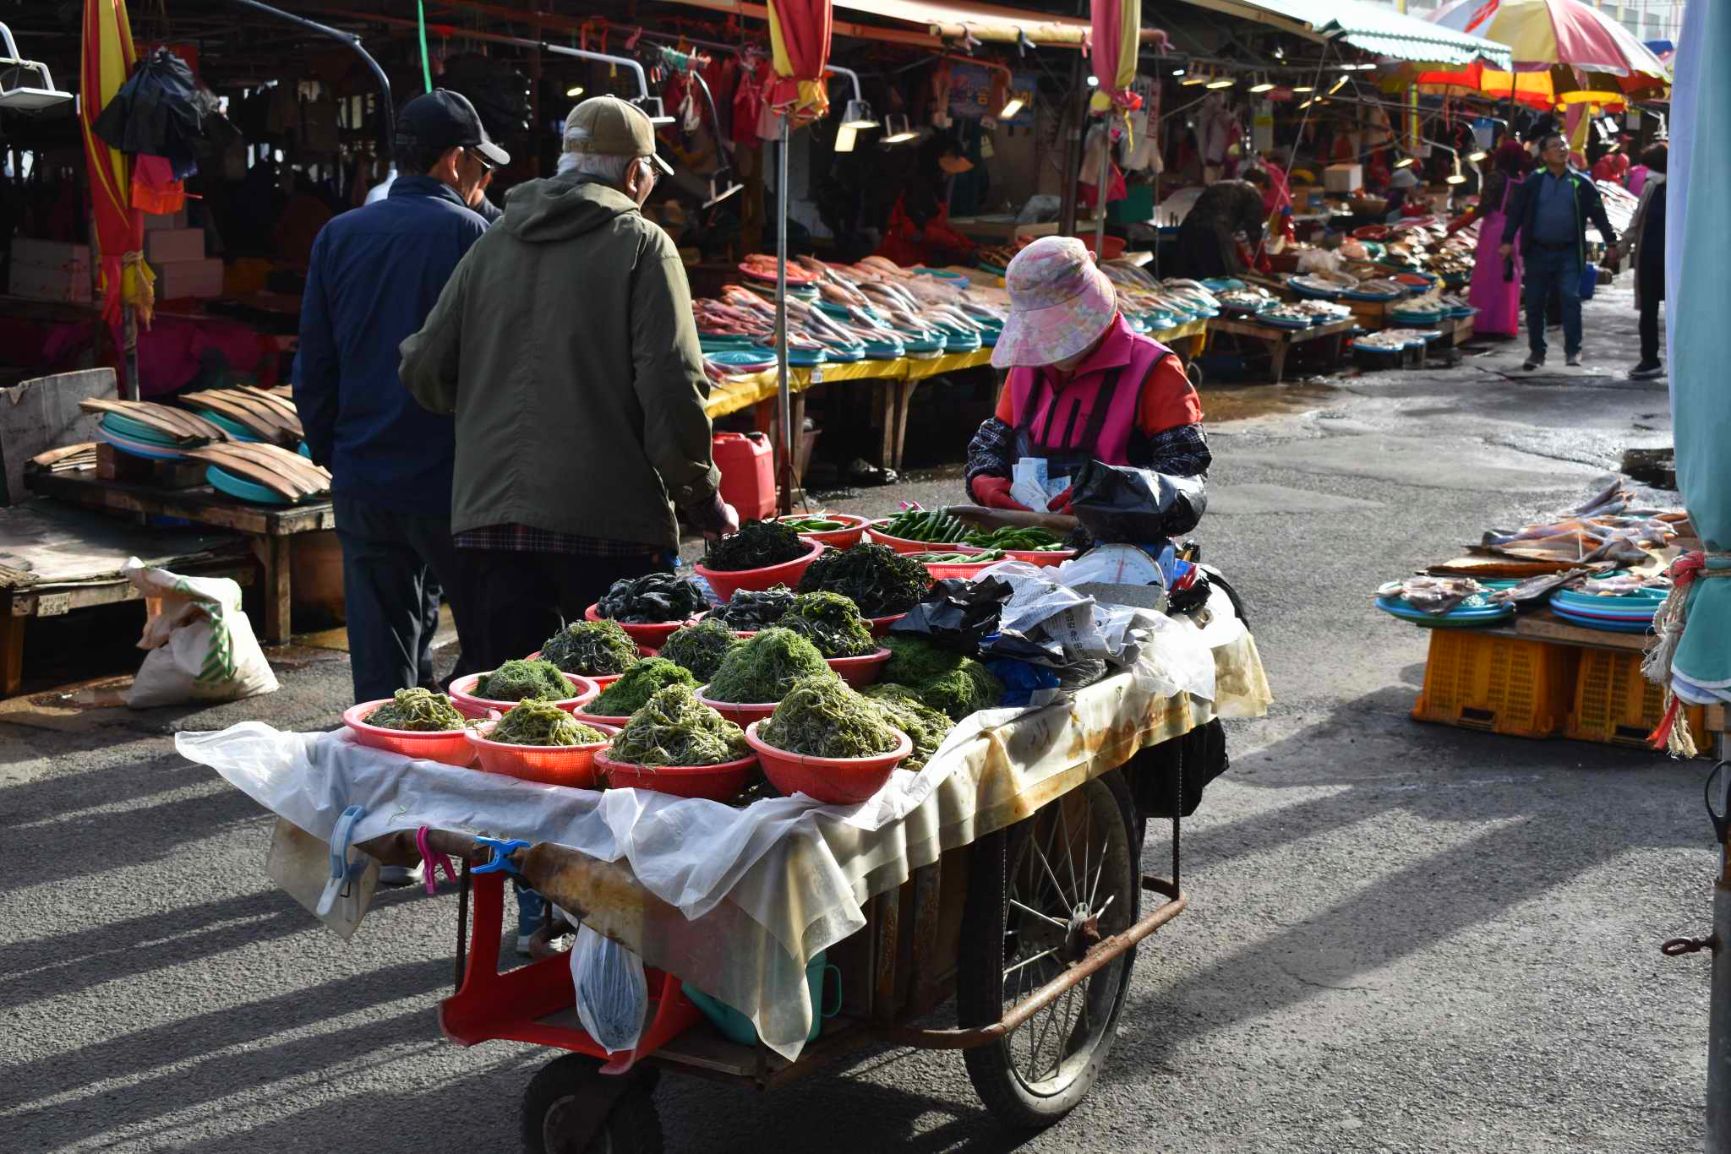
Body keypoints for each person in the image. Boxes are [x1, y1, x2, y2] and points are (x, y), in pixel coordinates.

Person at [400, 95, 737, 675]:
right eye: (652, 172)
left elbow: (424, 367)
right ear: (635, 173)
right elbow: (672, 384)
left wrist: (486, 407)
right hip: (608, 524)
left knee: (506, 708)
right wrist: (702, 497)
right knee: (617, 703)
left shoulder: (494, 241)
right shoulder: (643, 244)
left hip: (492, 519)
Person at [295, 89, 504, 706]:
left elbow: (314, 362)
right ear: (454, 160)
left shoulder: (339, 233)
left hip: (363, 471)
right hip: (451, 479)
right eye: (482, 166)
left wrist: (334, 449)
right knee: (489, 653)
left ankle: (384, 775)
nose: (483, 179)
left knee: (382, 667)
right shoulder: (474, 235)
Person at [964, 236, 1208, 529]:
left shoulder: (1154, 369)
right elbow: (995, 439)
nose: (1052, 348)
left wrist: (1112, 495)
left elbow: (1186, 469)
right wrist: (984, 477)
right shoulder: (1027, 366)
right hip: (1026, 539)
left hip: (1119, 547)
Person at [1500, 132, 1617, 370]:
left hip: (1569, 252)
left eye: (1563, 145)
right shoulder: (1534, 181)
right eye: (1555, 146)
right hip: (1537, 251)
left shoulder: (1580, 183)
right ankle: (1536, 352)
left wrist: (1611, 242)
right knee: (1534, 302)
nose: (1561, 149)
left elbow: (1599, 213)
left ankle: (1573, 350)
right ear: (1544, 155)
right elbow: (1516, 213)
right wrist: (1507, 240)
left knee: (1570, 299)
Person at [1445, 140, 1529, 338]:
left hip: (1495, 233)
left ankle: (1485, 324)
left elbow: (1483, 208)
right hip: (1515, 232)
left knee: (1488, 277)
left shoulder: (1496, 178)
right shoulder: (1522, 179)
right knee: (1508, 278)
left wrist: (1457, 225)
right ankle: (1505, 325)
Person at [1616, 144, 1668, 380]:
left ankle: (1656, 360)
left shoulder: (1678, 187)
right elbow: (1637, 221)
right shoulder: (1651, 187)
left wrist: (1623, 245)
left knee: (1673, 312)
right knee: (1648, 311)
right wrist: (1623, 246)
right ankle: (1650, 359)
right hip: (1650, 258)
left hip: (1667, 261)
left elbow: (1635, 222)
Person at [1172, 179, 1265, 280]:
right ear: (1261, 186)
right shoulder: (1253, 194)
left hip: (1188, 226)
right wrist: (1263, 265)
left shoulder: (1221, 185)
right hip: (1214, 231)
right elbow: (1255, 234)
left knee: (1188, 277)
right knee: (1222, 279)